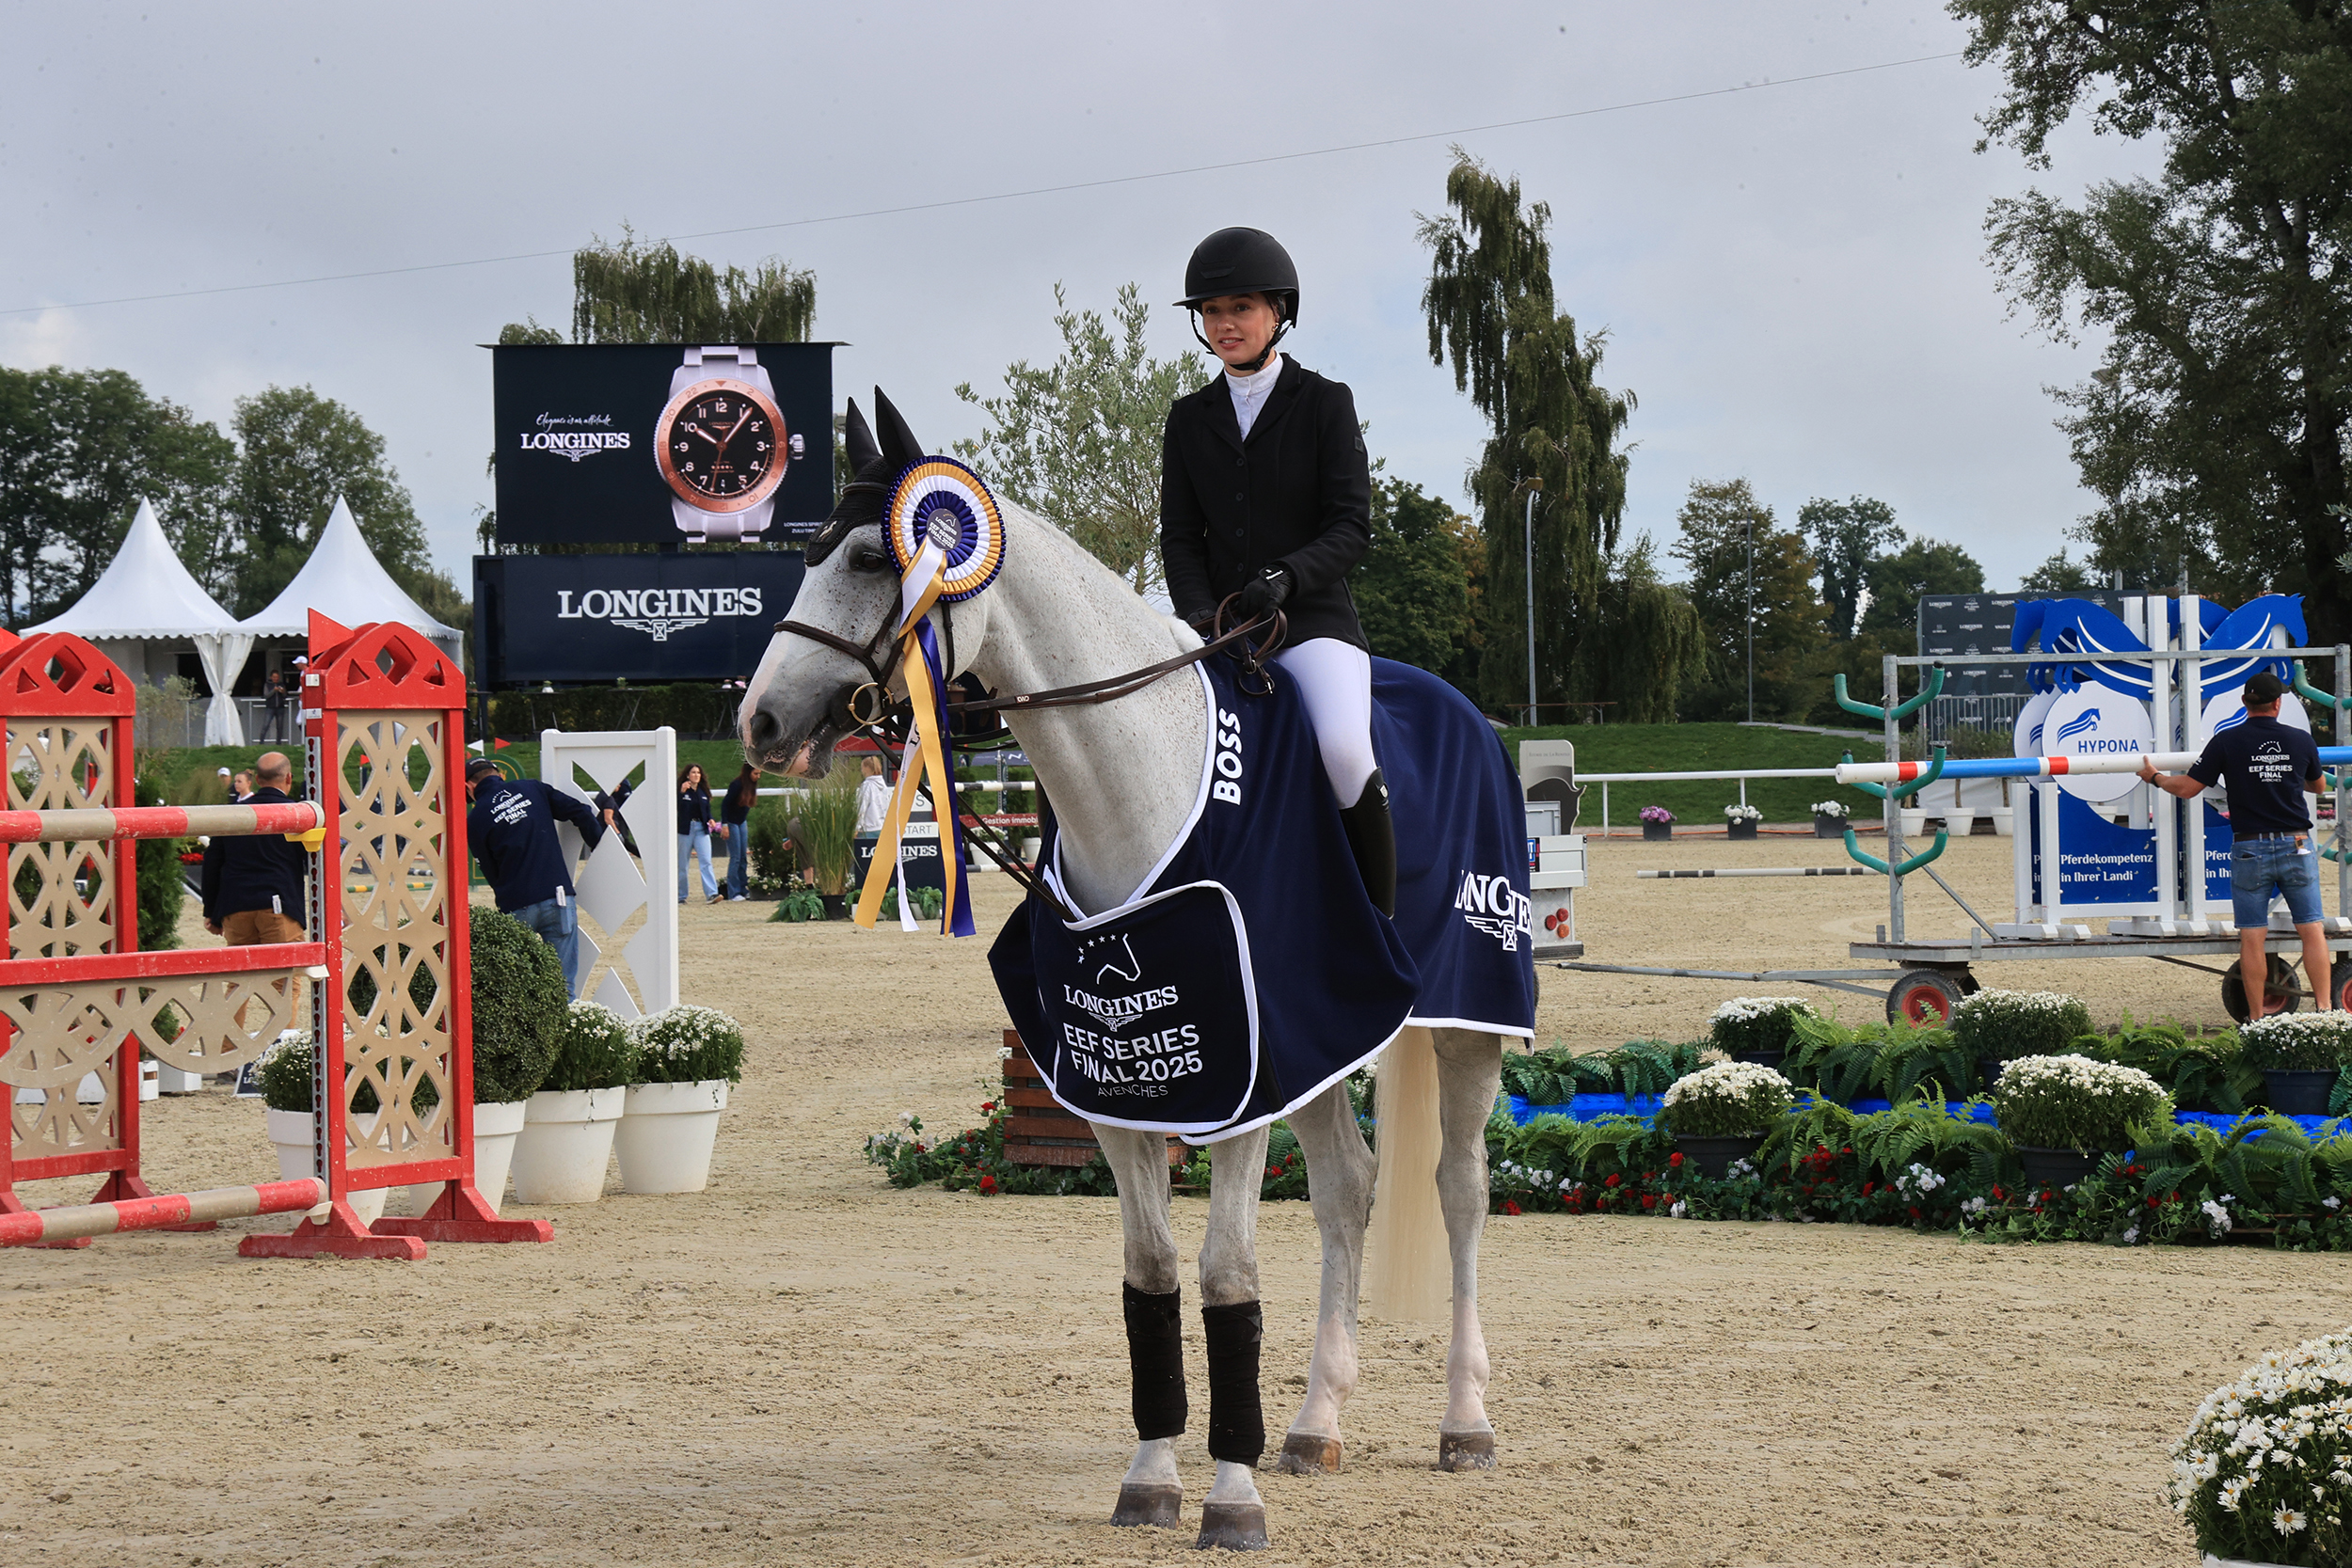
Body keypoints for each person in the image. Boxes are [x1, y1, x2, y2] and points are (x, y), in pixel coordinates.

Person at [1159, 226, 1394, 914]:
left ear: (1278, 312)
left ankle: (1379, 923)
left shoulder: (1324, 402)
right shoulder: (1188, 418)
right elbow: (1181, 537)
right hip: (1217, 631)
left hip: (1311, 621)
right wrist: (1197, 614)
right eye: (1212, 311)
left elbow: (1351, 526)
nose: (1225, 324)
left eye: (1241, 307)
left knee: (1345, 750)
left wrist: (1286, 576)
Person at [2140, 670, 2337, 1013]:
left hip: (2250, 847)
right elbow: (2319, 786)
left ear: (2245, 702)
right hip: (2295, 843)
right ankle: (2324, 1010)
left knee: (2252, 936)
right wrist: (2286, 777)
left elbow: (2187, 789)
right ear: (2277, 704)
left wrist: (2155, 777)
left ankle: (2257, 1017)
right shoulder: (2300, 739)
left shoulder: (2226, 741)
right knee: (2311, 929)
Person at [464, 756, 603, 996]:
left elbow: (489, 870)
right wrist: (599, 848)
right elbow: (581, 811)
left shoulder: (475, 819)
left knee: (519, 990)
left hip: (516, 903)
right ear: (500, 774)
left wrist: (506, 895)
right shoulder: (532, 788)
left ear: (469, 786)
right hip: (557, 895)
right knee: (563, 987)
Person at [201, 752, 307, 945]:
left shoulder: (233, 814)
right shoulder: (298, 814)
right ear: (289, 778)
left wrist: (211, 911)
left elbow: (212, 862)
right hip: (278, 903)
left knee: (243, 965)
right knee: (284, 965)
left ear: (257, 780)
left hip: (236, 905)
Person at [677, 764, 718, 905]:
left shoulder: (703, 792)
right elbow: (677, 807)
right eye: (693, 772)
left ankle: (712, 893)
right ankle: (680, 895)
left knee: (706, 861)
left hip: (701, 828)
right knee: (682, 863)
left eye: (698, 773)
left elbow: (707, 810)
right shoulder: (681, 790)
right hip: (686, 829)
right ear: (687, 775)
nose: (696, 775)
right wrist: (681, 793)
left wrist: (710, 819)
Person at [719, 763, 758, 901]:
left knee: (743, 857)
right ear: (748, 773)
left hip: (742, 821)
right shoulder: (736, 785)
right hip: (731, 822)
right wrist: (724, 824)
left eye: (759, 774)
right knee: (735, 858)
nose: (757, 777)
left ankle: (743, 888)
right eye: (755, 774)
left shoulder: (751, 785)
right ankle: (733, 892)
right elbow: (725, 804)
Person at [260, 670, 290, 744]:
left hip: (280, 707)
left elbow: (285, 696)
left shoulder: (281, 684)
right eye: (274, 677)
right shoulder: (267, 684)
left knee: (280, 726)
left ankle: (278, 742)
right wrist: (274, 691)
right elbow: (266, 695)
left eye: (277, 677)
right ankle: (261, 742)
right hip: (270, 707)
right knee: (266, 725)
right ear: (271, 677)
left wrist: (283, 692)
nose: (276, 679)